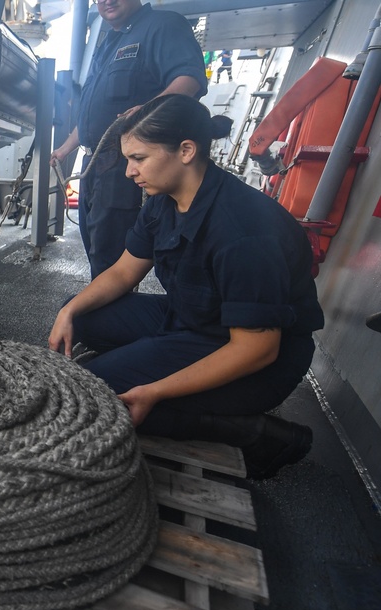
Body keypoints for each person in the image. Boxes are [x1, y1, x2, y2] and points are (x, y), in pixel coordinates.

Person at [48, 94, 324, 480]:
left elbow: (258, 348)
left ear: (186, 150)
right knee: (82, 314)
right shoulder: (164, 201)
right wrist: (69, 311)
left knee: (101, 391)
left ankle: (266, 436)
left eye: (138, 158)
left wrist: (156, 390)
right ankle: (149, 364)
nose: (129, 172)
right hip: (191, 317)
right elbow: (124, 272)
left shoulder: (243, 232)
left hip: (255, 356)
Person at [50, 0, 208, 279]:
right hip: (94, 164)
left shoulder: (163, 26)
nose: (107, 1)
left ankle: (109, 318)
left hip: (124, 166)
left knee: (112, 258)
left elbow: (190, 78)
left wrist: (146, 112)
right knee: (95, 249)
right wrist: (64, 149)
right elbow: (92, 115)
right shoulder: (107, 44)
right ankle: (105, 314)